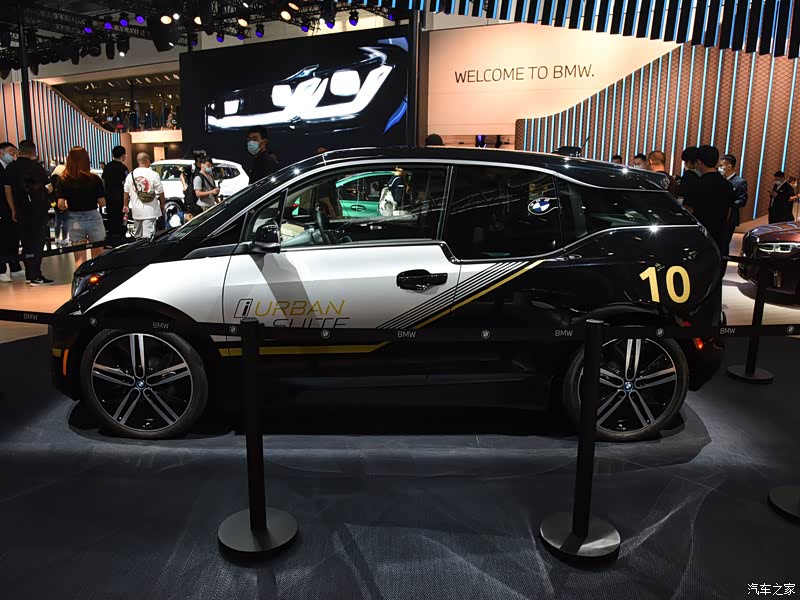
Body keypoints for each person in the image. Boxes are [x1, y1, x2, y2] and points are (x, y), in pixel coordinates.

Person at [3, 140, 54, 285]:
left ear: (19, 151)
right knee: (37, 243)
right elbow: (48, 187)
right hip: (37, 211)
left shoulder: (10, 168)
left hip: (20, 211)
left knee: (26, 243)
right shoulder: (36, 167)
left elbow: (7, 190)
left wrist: (13, 209)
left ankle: (29, 274)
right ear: (34, 151)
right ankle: (35, 275)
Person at [57, 146, 107, 269]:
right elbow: (102, 203)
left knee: (79, 259)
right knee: (98, 256)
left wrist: (68, 205)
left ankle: (82, 279)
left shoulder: (63, 179)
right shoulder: (94, 178)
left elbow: (60, 205)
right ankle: (97, 278)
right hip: (93, 218)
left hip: (75, 219)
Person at [683, 145, 735, 254]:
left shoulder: (696, 184)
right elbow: (729, 212)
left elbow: (689, 211)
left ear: (699, 162)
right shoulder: (727, 184)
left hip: (700, 236)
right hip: (719, 236)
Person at [124, 152, 165, 239]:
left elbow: (126, 192)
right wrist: (162, 204)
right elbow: (161, 191)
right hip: (150, 211)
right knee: (148, 237)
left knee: (138, 236)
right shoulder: (153, 174)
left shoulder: (130, 175)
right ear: (147, 160)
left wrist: (125, 205)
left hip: (136, 211)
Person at [0, 142, 23, 283]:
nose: (12, 154)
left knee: (13, 237)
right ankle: (2, 269)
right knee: (2, 239)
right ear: (1, 151)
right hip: (2, 209)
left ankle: (15, 266)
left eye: (14, 151)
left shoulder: (12, 167)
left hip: (11, 208)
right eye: (10, 151)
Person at [718, 154, 748, 253]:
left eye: (721, 165)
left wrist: (729, 203)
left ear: (729, 166)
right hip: (718, 217)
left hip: (729, 218)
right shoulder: (719, 180)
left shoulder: (739, 182)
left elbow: (742, 200)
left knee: (724, 244)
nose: (719, 168)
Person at [102, 145, 129, 245]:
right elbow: (126, 184)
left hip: (109, 198)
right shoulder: (123, 168)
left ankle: (112, 238)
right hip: (121, 198)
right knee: (122, 218)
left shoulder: (107, 167)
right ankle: (121, 238)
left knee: (111, 218)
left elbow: (103, 181)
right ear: (123, 156)